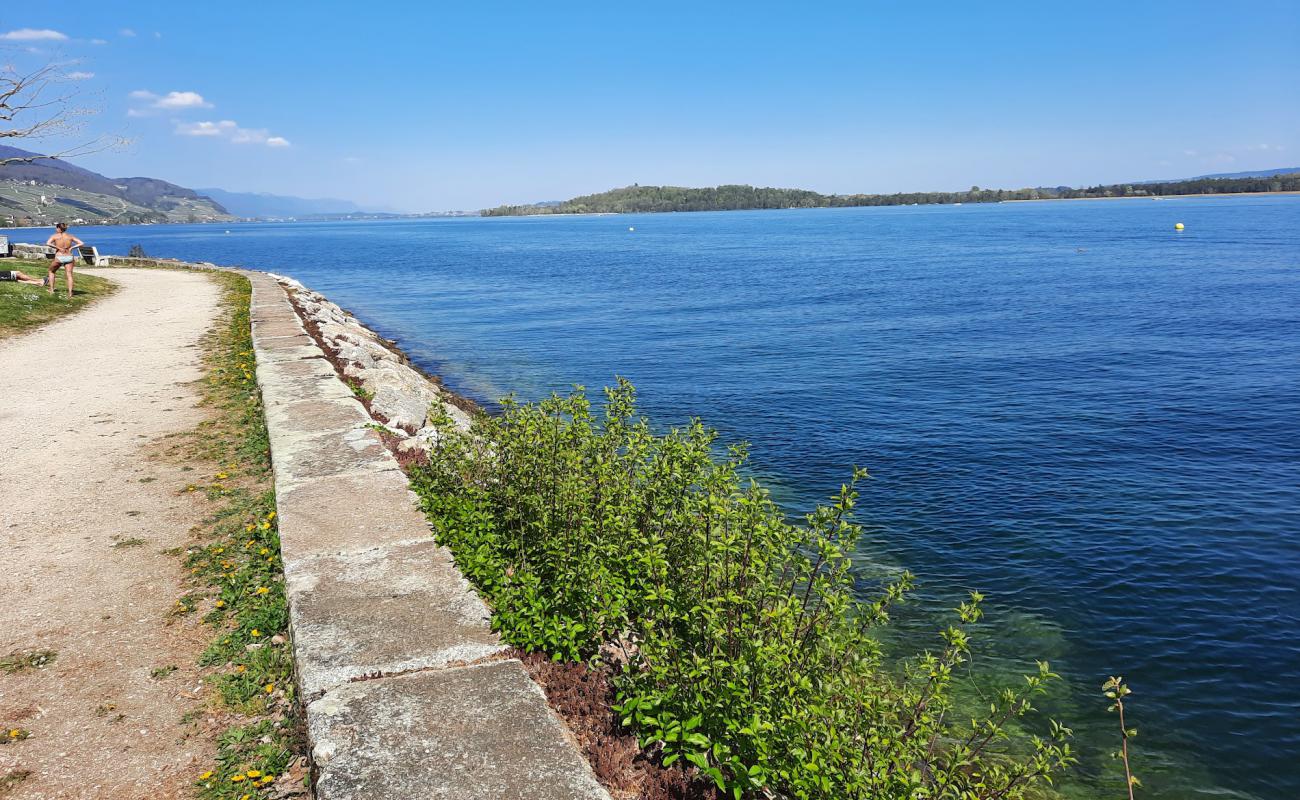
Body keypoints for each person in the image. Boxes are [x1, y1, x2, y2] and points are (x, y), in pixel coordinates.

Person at [45, 222, 83, 299]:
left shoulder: (55, 236)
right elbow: (81, 243)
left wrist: (58, 248)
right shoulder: (70, 236)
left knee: (51, 271)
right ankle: (70, 293)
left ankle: (51, 290)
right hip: (69, 256)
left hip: (59, 256)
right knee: (69, 274)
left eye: (56, 228)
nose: (56, 229)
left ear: (59, 228)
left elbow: (48, 243)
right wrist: (72, 248)